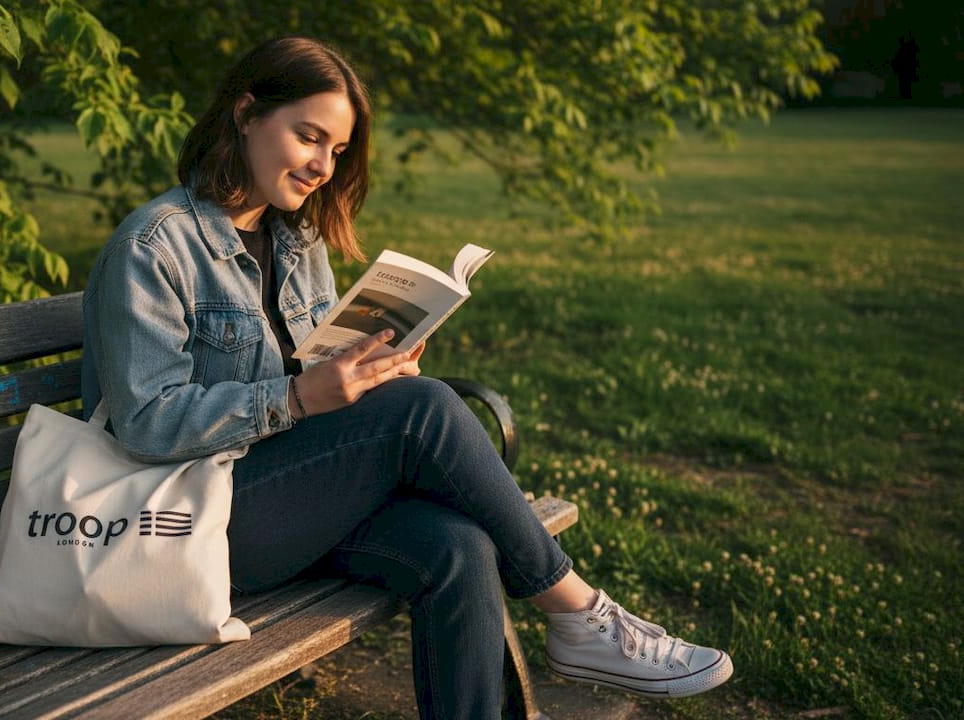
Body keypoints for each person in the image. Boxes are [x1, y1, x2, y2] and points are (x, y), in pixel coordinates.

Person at [82, 36, 733, 719]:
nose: (322, 168)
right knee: (423, 410)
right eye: (309, 138)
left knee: (460, 548)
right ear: (246, 114)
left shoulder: (295, 242)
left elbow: (307, 379)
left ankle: (568, 637)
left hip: (283, 502)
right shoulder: (153, 245)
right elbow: (146, 425)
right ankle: (580, 616)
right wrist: (302, 395)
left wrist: (368, 372)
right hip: (182, 526)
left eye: (336, 151)